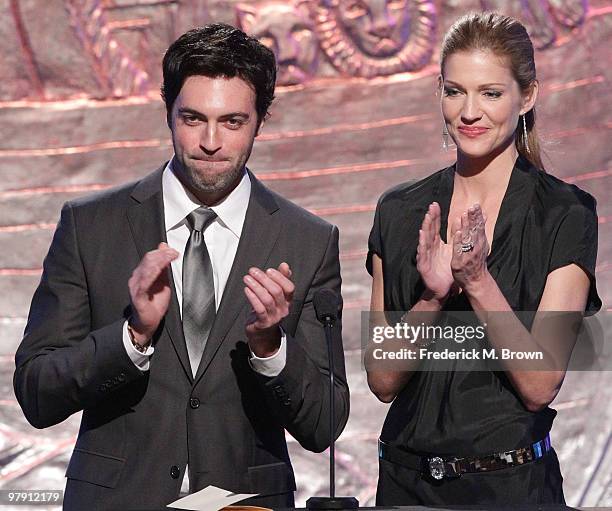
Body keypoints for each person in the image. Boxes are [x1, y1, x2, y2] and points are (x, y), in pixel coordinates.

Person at [13, 23, 349, 510]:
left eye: (233, 122)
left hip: (247, 501)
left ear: (260, 121)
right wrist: (132, 336)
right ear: (167, 113)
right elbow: (37, 393)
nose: (211, 142)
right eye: (193, 119)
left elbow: (324, 425)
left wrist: (271, 348)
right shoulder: (90, 226)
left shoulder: (308, 240)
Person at [365, 12, 601, 506]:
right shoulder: (400, 209)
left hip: (510, 488)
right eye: (455, 92)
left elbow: (540, 384)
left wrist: (476, 281)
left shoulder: (564, 214)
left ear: (527, 96)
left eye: (490, 93)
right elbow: (383, 380)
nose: (469, 112)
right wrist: (432, 297)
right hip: (406, 487)